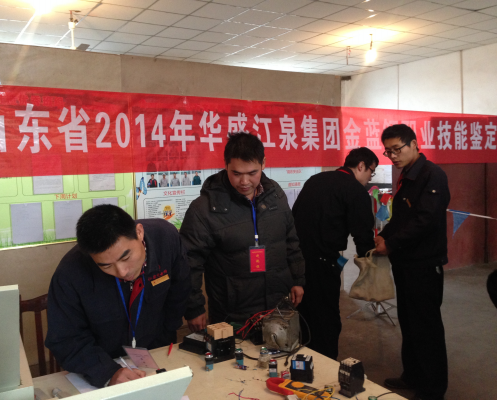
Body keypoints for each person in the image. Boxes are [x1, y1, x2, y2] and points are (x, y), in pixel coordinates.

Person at [45, 205, 190, 388]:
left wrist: (164, 341)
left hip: (157, 354)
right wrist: (107, 372)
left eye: (125, 258)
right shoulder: (70, 273)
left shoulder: (165, 239)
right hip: (103, 362)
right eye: (106, 266)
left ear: (139, 232)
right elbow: (65, 339)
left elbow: (179, 292)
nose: (122, 272)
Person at [180, 132, 305, 331]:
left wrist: (297, 280)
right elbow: (189, 261)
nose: (244, 181)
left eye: (252, 173)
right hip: (232, 311)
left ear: (264, 163)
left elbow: (290, 241)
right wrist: (194, 307)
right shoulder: (205, 208)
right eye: (236, 173)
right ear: (226, 165)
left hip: (277, 305)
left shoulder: (275, 196)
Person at [374, 124, 450, 400]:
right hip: (405, 263)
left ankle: (433, 389)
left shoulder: (432, 175)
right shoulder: (407, 176)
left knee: (426, 326)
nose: (393, 156)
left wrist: (392, 244)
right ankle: (413, 375)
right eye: (388, 151)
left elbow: (425, 220)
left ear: (414, 144)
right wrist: (384, 236)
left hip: (424, 264)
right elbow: (401, 218)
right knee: (408, 321)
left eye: (397, 149)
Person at [292, 147, 378, 360]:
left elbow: (295, 217)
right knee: (327, 321)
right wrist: (371, 260)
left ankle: (305, 364)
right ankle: (326, 367)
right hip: (324, 264)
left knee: (305, 317)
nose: (369, 178)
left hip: (297, 261)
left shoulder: (315, 180)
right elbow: (363, 236)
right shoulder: (355, 190)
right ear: (361, 166)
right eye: (371, 172)